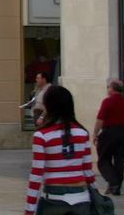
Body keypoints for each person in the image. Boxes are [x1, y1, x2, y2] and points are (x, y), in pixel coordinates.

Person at [24, 86, 96, 215]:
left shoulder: (42, 136)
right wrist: (96, 195)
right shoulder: (82, 133)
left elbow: (37, 175)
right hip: (81, 198)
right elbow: (88, 171)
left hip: (53, 198)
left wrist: (29, 210)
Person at [94, 79, 124, 196]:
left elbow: (100, 120)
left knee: (103, 159)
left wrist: (95, 133)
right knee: (119, 160)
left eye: (108, 87)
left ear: (112, 89)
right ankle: (116, 186)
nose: (107, 90)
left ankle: (113, 182)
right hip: (122, 132)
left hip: (109, 131)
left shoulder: (107, 102)